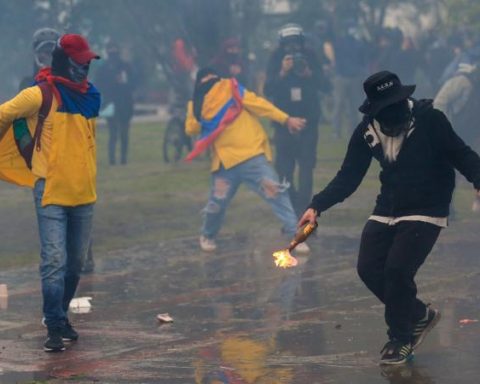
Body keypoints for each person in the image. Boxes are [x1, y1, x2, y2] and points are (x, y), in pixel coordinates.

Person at [298, 71, 480, 365]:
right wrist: (316, 206)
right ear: (374, 110)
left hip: (428, 205)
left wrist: (478, 179)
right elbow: (348, 176)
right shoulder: (366, 131)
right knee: (368, 268)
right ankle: (420, 314)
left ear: (405, 100)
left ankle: (400, 337)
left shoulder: (431, 120)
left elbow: (461, 154)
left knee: (397, 270)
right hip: (389, 206)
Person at [0, 34, 100, 352]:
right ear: (65, 62)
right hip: (51, 191)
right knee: (54, 261)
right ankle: (54, 324)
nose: (85, 67)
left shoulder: (90, 96)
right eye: (80, 61)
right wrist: (25, 149)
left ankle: (59, 314)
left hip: (84, 192)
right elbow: (4, 114)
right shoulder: (40, 94)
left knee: (76, 263)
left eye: (88, 61)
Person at [185, 67, 308, 253]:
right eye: (205, 79)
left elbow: (260, 105)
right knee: (216, 204)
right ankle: (207, 235)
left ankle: (296, 235)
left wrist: (286, 119)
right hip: (224, 164)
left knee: (276, 192)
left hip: (252, 156)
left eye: (213, 77)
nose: (211, 82)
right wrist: (198, 106)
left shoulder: (232, 89)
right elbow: (191, 129)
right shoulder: (196, 103)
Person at [264, 23, 327, 216]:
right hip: (284, 122)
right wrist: (282, 72)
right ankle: (292, 212)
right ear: (281, 45)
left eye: (296, 44)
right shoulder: (275, 59)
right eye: (288, 45)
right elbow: (268, 90)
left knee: (306, 169)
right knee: (284, 170)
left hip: (309, 121)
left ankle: (304, 213)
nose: (292, 49)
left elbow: (326, 86)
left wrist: (309, 74)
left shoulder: (311, 57)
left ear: (302, 43)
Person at [95, 41, 135, 165]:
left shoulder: (125, 67)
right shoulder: (104, 68)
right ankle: (112, 159)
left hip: (124, 102)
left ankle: (123, 159)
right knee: (113, 133)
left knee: (123, 133)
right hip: (111, 103)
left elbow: (133, 83)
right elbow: (99, 85)